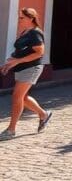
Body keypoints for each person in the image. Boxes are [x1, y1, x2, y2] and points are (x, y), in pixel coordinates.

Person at [0, 8, 53, 140]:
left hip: (31, 68)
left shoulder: (35, 33)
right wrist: (10, 62)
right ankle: (44, 114)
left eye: (21, 18)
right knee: (22, 98)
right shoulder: (25, 32)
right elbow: (21, 51)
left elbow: (39, 53)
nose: (19, 20)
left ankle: (11, 130)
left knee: (16, 97)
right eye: (19, 18)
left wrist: (17, 61)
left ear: (31, 18)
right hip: (21, 68)